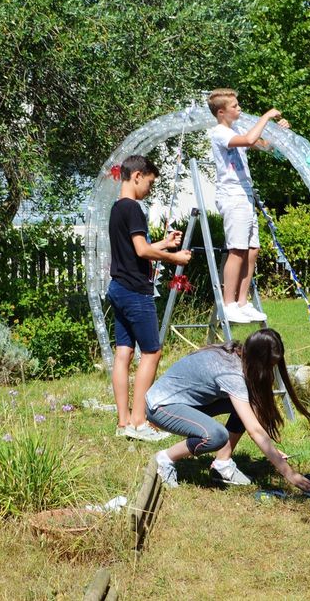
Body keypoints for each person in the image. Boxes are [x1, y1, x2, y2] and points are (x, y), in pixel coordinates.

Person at [146, 328, 310, 491]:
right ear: (258, 361)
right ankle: (165, 458)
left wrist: (271, 450)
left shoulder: (239, 353)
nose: (270, 371)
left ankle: (222, 462)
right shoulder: (232, 374)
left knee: (250, 402)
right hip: (161, 406)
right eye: (268, 366)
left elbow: (254, 413)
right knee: (216, 436)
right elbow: (254, 430)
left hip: (186, 402)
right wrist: (289, 474)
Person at [108, 155, 193, 441]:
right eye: (150, 182)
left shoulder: (117, 208)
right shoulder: (134, 209)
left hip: (117, 288)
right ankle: (140, 421)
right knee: (152, 352)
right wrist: (174, 255)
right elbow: (142, 252)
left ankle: (123, 424)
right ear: (137, 176)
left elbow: (136, 248)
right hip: (134, 291)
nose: (150, 189)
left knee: (123, 353)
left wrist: (164, 243)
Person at [207, 88, 290, 324]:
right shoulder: (219, 133)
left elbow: (264, 146)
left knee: (252, 249)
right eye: (235, 106)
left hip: (245, 194)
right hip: (232, 195)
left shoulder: (237, 129)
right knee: (237, 249)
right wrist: (266, 117)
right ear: (221, 112)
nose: (240, 108)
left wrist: (277, 133)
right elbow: (250, 139)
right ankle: (229, 303)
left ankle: (242, 302)